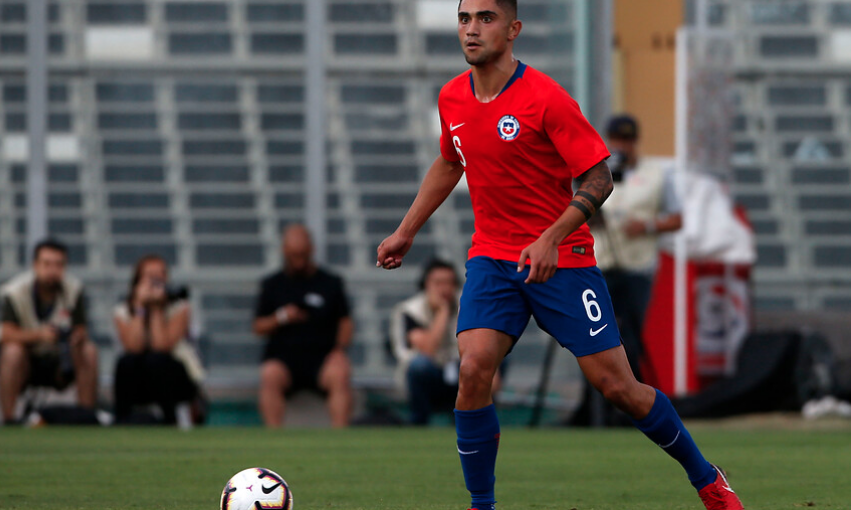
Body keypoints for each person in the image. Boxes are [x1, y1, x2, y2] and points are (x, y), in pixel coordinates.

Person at [376, 1, 743, 509]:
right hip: (492, 259)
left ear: (513, 29)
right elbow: (448, 161)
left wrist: (552, 235)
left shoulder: (544, 97)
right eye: (464, 19)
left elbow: (599, 176)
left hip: (564, 260)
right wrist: (405, 231)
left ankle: (707, 478)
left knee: (618, 387)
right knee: (473, 368)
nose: (472, 29)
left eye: (485, 18)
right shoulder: (452, 98)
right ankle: (481, 504)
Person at [591, 114, 683, 380]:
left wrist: (647, 226)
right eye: (618, 139)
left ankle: (631, 396)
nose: (623, 146)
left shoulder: (656, 173)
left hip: (637, 267)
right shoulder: (597, 171)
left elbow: (677, 218)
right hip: (600, 264)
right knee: (596, 334)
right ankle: (597, 401)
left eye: (627, 140)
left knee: (630, 335)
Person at [0, 239, 98, 424]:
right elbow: (6, 333)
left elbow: (81, 328)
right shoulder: (15, 291)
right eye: (47, 264)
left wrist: (74, 337)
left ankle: (85, 416)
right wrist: (40, 335)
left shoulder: (74, 289)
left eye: (59, 264)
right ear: (35, 265)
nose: (53, 270)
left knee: (89, 350)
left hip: (58, 357)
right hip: (23, 360)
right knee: (13, 351)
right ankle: (9, 419)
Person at [253, 224, 354, 428]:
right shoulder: (272, 284)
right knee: (269, 374)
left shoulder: (330, 283)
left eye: (302, 254)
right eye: (293, 255)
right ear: (284, 252)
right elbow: (258, 326)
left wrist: (339, 350)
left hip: (322, 358)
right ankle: (274, 437)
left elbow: (345, 322)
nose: (298, 260)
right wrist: (282, 317)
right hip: (284, 358)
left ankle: (340, 435)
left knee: (340, 372)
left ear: (311, 250)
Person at [113, 255, 204, 425]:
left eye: (161, 274)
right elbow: (133, 346)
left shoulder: (180, 307)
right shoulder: (123, 310)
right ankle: (122, 420)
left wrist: (156, 309)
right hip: (139, 377)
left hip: (176, 376)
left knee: (156, 360)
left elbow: (161, 346)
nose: (157, 280)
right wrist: (140, 307)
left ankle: (171, 420)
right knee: (126, 362)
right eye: (151, 275)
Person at [390, 259, 462, 425]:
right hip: (428, 376)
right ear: (425, 285)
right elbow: (428, 349)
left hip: (459, 370)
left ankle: (475, 424)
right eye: (438, 283)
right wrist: (443, 311)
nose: (444, 289)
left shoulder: (465, 305)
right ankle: (419, 421)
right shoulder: (409, 311)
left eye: (449, 283)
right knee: (420, 365)